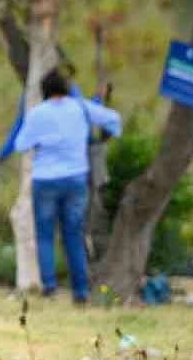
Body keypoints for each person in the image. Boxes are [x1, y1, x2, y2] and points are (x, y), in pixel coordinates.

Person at [13, 69, 122, 304]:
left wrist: (42, 142)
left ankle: (50, 288)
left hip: (44, 179)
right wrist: (105, 137)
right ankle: (80, 292)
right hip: (75, 178)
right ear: (66, 88)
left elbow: (21, 144)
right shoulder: (80, 107)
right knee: (74, 235)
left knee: (45, 235)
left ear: (44, 91)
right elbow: (114, 120)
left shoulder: (37, 113)